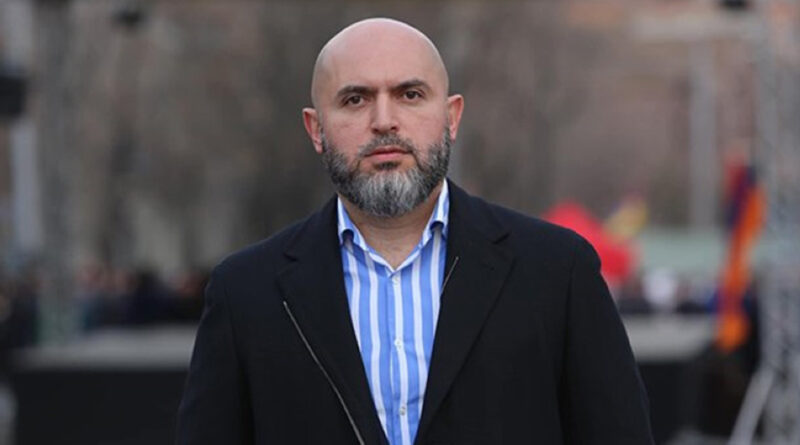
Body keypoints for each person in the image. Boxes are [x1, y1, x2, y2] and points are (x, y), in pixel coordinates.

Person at [176, 18, 654, 445]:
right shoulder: (246, 293)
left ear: (451, 117)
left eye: (410, 94)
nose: (384, 121)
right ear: (316, 129)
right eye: (355, 99)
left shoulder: (557, 271)